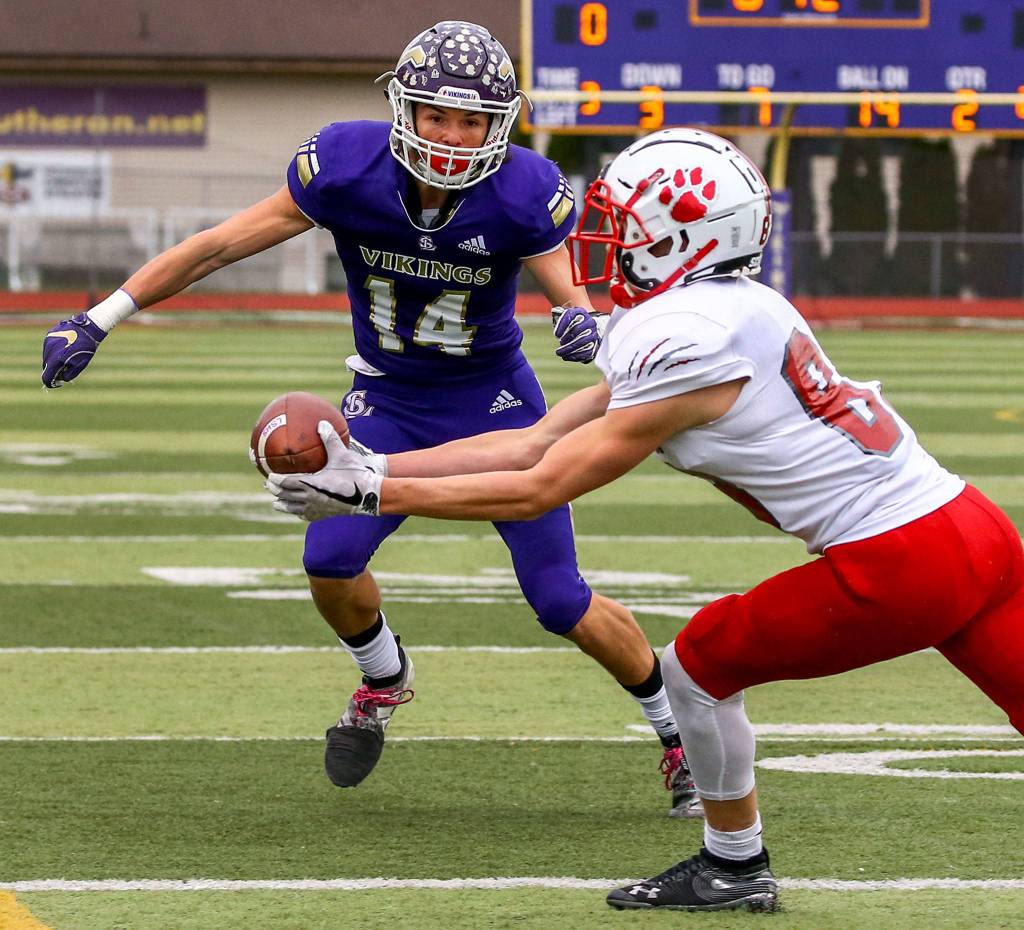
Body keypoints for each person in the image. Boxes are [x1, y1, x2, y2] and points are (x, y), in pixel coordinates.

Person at [266, 125, 1024, 913]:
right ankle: (733, 865)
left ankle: (734, 866)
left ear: (682, 237)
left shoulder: (681, 339)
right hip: (976, 529)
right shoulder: (739, 307)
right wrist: (375, 468)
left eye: (626, 224)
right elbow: (532, 440)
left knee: (697, 670)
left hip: (899, 559)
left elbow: (538, 486)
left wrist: (368, 497)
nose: (610, 240)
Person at [39, 21, 701, 816]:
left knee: (558, 597)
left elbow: (568, 289)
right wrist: (101, 316)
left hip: (494, 401)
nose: (453, 137)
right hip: (386, 399)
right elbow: (219, 247)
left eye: (472, 121)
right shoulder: (347, 167)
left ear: (501, 124)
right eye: (437, 116)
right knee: (330, 558)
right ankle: (384, 678)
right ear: (405, 111)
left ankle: (678, 738)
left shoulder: (525, 189)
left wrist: (580, 321)